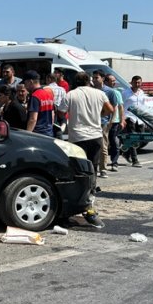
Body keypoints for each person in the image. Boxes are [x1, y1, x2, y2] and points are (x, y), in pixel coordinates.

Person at [59, 72, 114, 228]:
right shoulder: (99, 93)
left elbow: (61, 112)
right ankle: (90, 200)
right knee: (92, 170)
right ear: (89, 81)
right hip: (95, 136)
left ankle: (76, 201)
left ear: (75, 82)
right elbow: (109, 110)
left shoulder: (71, 95)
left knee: (76, 171)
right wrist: (98, 114)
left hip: (77, 137)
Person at [120, 76, 146, 166]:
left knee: (141, 138)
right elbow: (121, 106)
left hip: (139, 119)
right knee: (132, 138)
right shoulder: (125, 93)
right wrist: (122, 118)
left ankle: (126, 153)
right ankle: (135, 160)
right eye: (135, 82)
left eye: (139, 82)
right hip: (129, 117)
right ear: (131, 82)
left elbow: (143, 106)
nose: (137, 84)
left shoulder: (142, 92)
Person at [23, 70, 55, 136]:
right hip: (49, 133)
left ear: (30, 82)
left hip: (38, 134)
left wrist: (27, 135)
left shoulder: (35, 96)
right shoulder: (48, 94)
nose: (25, 86)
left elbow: (33, 119)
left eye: (25, 83)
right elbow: (52, 115)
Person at [104, 74, 125, 170]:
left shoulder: (116, 92)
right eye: (112, 80)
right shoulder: (101, 91)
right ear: (106, 81)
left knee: (114, 142)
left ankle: (114, 162)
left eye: (114, 80)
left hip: (114, 121)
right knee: (103, 143)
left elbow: (120, 107)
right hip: (103, 121)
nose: (114, 82)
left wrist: (122, 120)